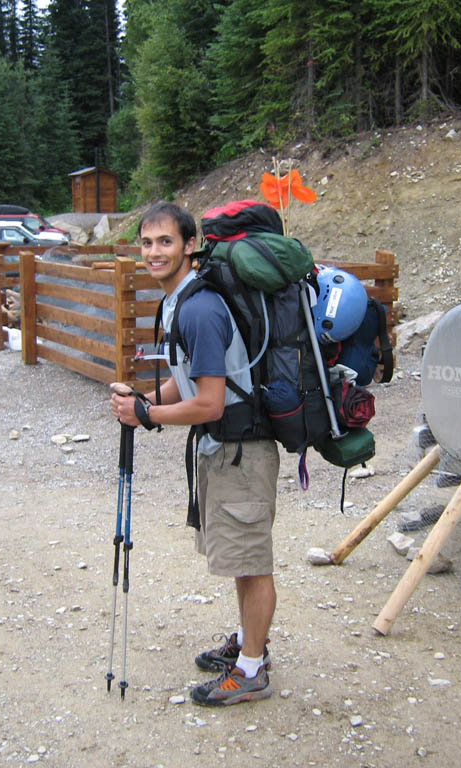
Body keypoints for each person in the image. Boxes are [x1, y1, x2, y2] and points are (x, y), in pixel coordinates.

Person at [110, 201, 280, 706]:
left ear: (190, 245)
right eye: (146, 243)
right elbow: (185, 382)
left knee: (252, 561)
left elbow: (208, 401)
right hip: (224, 448)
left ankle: (252, 669)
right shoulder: (180, 301)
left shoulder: (201, 309)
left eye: (165, 242)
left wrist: (147, 417)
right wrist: (144, 402)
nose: (154, 252)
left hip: (240, 451)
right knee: (239, 558)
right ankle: (250, 646)